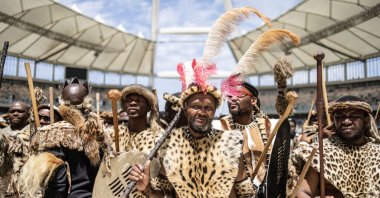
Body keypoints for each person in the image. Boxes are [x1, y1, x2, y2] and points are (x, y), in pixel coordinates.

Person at [129, 83, 256, 197]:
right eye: (195, 106)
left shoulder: (229, 144)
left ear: (214, 112)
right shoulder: (169, 146)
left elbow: (247, 194)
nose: (201, 112)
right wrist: (146, 188)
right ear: (185, 109)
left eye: (208, 108)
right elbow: (164, 195)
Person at [18, 77, 112, 197]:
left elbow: (57, 181)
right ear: (87, 102)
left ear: (62, 101)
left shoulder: (52, 133)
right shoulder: (100, 131)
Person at [296, 96, 380, 197]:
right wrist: (320, 135)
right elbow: (303, 192)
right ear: (333, 120)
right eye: (340, 117)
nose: (346, 121)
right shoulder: (320, 151)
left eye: (353, 116)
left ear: (366, 120)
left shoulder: (377, 151)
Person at [219, 81, 268, 189]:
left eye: (238, 95)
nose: (233, 98)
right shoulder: (219, 127)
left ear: (253, 100)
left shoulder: (267, 126)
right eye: (229, 96)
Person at [0, 101, 30, 197]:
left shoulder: (36, 133)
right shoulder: (1, 134)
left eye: (20, 111)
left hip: (27, 185)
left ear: (28, 114)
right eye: (12, 111)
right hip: (5, 185)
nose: (16, 114)